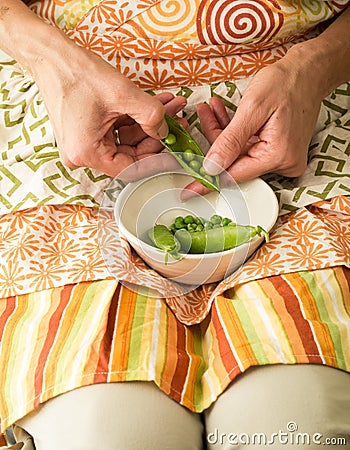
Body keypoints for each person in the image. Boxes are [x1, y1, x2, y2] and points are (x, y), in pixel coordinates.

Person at [0, 0, 349, 449]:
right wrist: (59, 69)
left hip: (303, 113)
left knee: (300, 427)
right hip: (77, 110)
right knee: (106, 432)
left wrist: (313, 67)